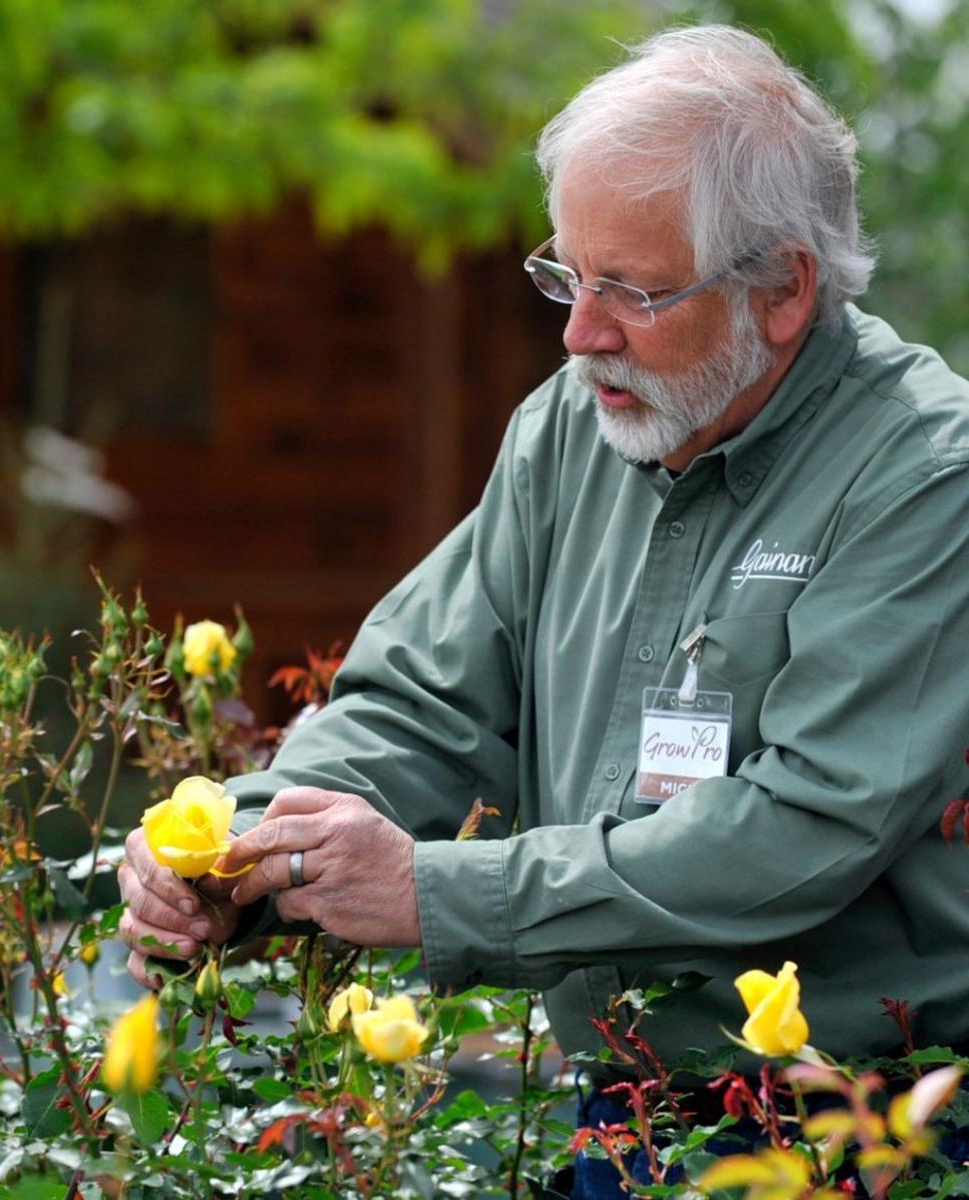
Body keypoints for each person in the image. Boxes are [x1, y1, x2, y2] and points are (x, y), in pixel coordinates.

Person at [119, 23, 969, 1086]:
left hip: (870, 1123)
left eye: (633, 291)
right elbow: (422, 705)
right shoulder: (573, 427)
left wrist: (436, 894)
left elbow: (798, 834)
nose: (580, 336)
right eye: (567, 279)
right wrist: (238, 851)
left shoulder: (928, 476)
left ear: (785, 291)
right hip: (619, 1102)